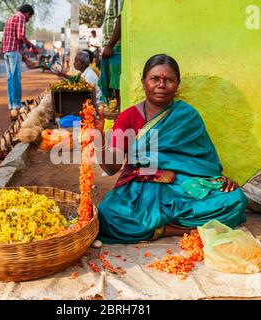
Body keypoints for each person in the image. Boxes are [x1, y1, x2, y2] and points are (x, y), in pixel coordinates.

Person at [93, 54, 248, 244]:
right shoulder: (128, 118)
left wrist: (215, 181)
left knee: (236, 200)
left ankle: (158, 226)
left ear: (177, 84)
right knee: (107, 216)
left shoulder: (187, 115)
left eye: (169, 80)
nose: (161, 85)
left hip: (182, 186)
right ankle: (176, 228)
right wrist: (98, 135)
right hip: (140, 187)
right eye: (155, 79)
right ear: (143, 82)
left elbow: (202, 160)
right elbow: (111, 168)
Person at [2, 3, 38, 120]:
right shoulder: (21, 17)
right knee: (16, 78)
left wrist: (24, 56)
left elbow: (10, 39)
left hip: (6, 51)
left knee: (10, 78)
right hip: (13, 51)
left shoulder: (10, 18)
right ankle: (17, 105)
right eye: (30, 17)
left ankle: (11, 105)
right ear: (27, 13)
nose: (28, 20)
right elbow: (20, 36)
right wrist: (30, 45)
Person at [98, 0, 123, 109]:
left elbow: (121, 19)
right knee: (112, 83)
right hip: (110, 46)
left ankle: (121, 111)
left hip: (116, 46)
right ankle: (118, 109)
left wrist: (109, 46)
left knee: (117, 83)